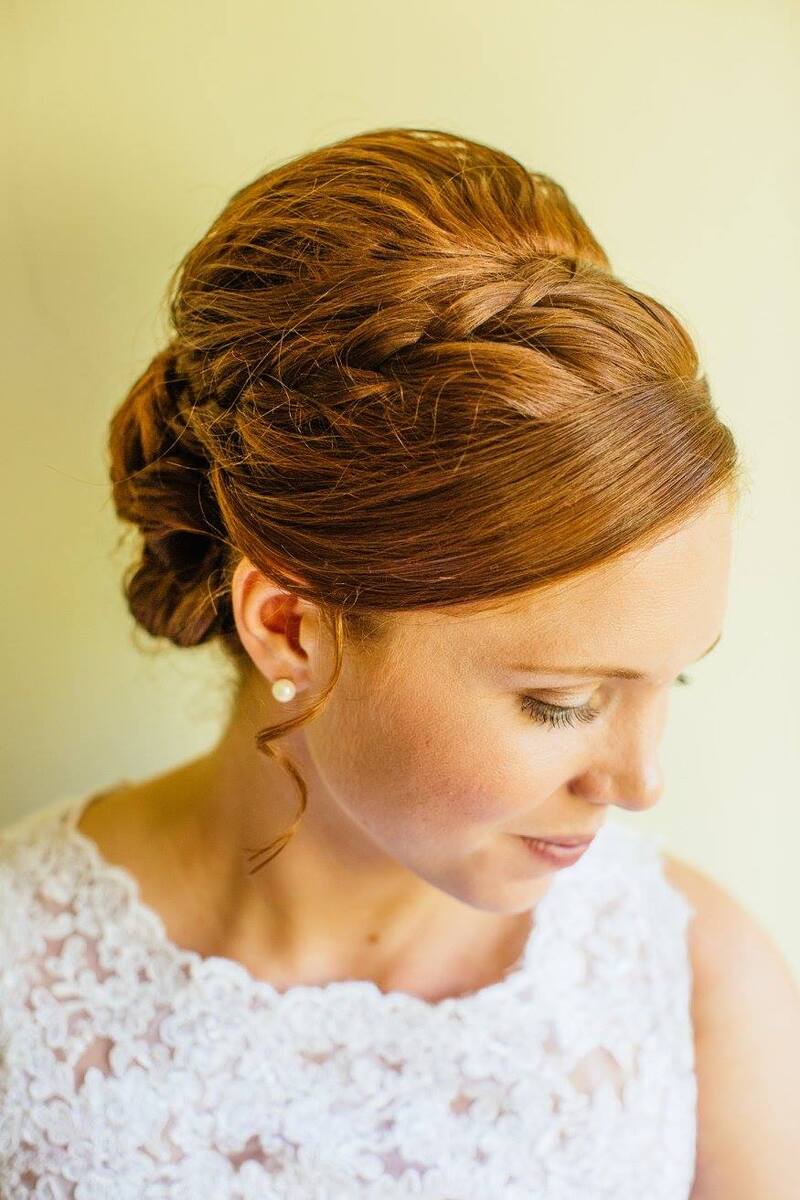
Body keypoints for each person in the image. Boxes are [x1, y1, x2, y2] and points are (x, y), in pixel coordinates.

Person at [1, 127, 797, 1200]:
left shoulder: (699, 985)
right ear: (291, 627)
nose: (639, 782)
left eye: (672, 681)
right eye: (561, 702)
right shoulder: (18, 979)